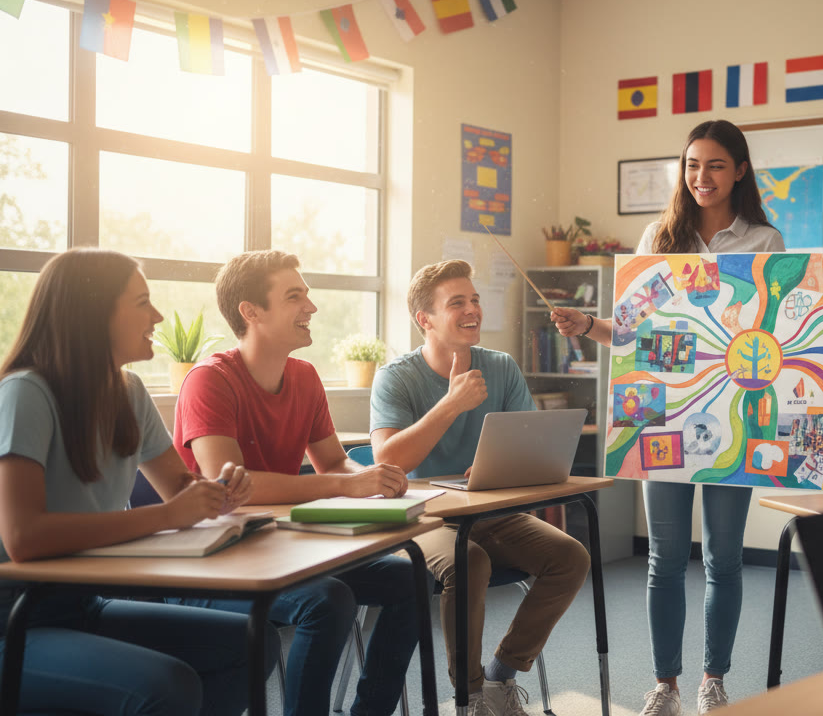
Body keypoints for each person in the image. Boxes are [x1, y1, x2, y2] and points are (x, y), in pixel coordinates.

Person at [550, 119, 823, 715]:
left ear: (740, 170)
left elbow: (794, 319)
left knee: (722, 558)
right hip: (665, 416)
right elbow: (636, 332)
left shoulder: (764, 242)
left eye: (715, 165)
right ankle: (665, 684)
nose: (701, 177)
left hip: (737, 416)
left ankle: (712, 679)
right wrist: (587, 325)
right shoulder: (658, 239)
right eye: (692, 165)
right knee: (664, 562)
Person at [0, 247, 277, 715]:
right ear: (93, 313)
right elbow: (24, 538)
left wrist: (221, 494)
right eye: (141, 302)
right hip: (17, 620)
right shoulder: (26, 392)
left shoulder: (127, 390)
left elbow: (180, 491)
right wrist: (167, 516)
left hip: (84, 605)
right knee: (167, 685)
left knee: (254, 643)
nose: (158, 314)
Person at [170, 250, 421, 716]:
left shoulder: (304, 377)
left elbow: (332, 464)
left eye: (306, 293)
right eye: (294, 296)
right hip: (213, 561)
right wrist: (346, 486)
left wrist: (374, 479)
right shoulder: (209, 380)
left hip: (281, 546)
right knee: (326, 601)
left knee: (410, 578)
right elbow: (229, 489)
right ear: (251, 312)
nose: (312, 306)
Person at [370, 259, 590, 716]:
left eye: (474, 299)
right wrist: (450, 405)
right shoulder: (396, 377)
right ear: (424, 319)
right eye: (457, 303)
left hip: (490, 508)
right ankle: (469, 698)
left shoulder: (501, 367)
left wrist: (503, 466)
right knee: (469, 562)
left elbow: (528, 441)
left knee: (570, 557)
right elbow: (388, 462)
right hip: (422, 515)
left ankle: (499, 677)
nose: (472, 309)